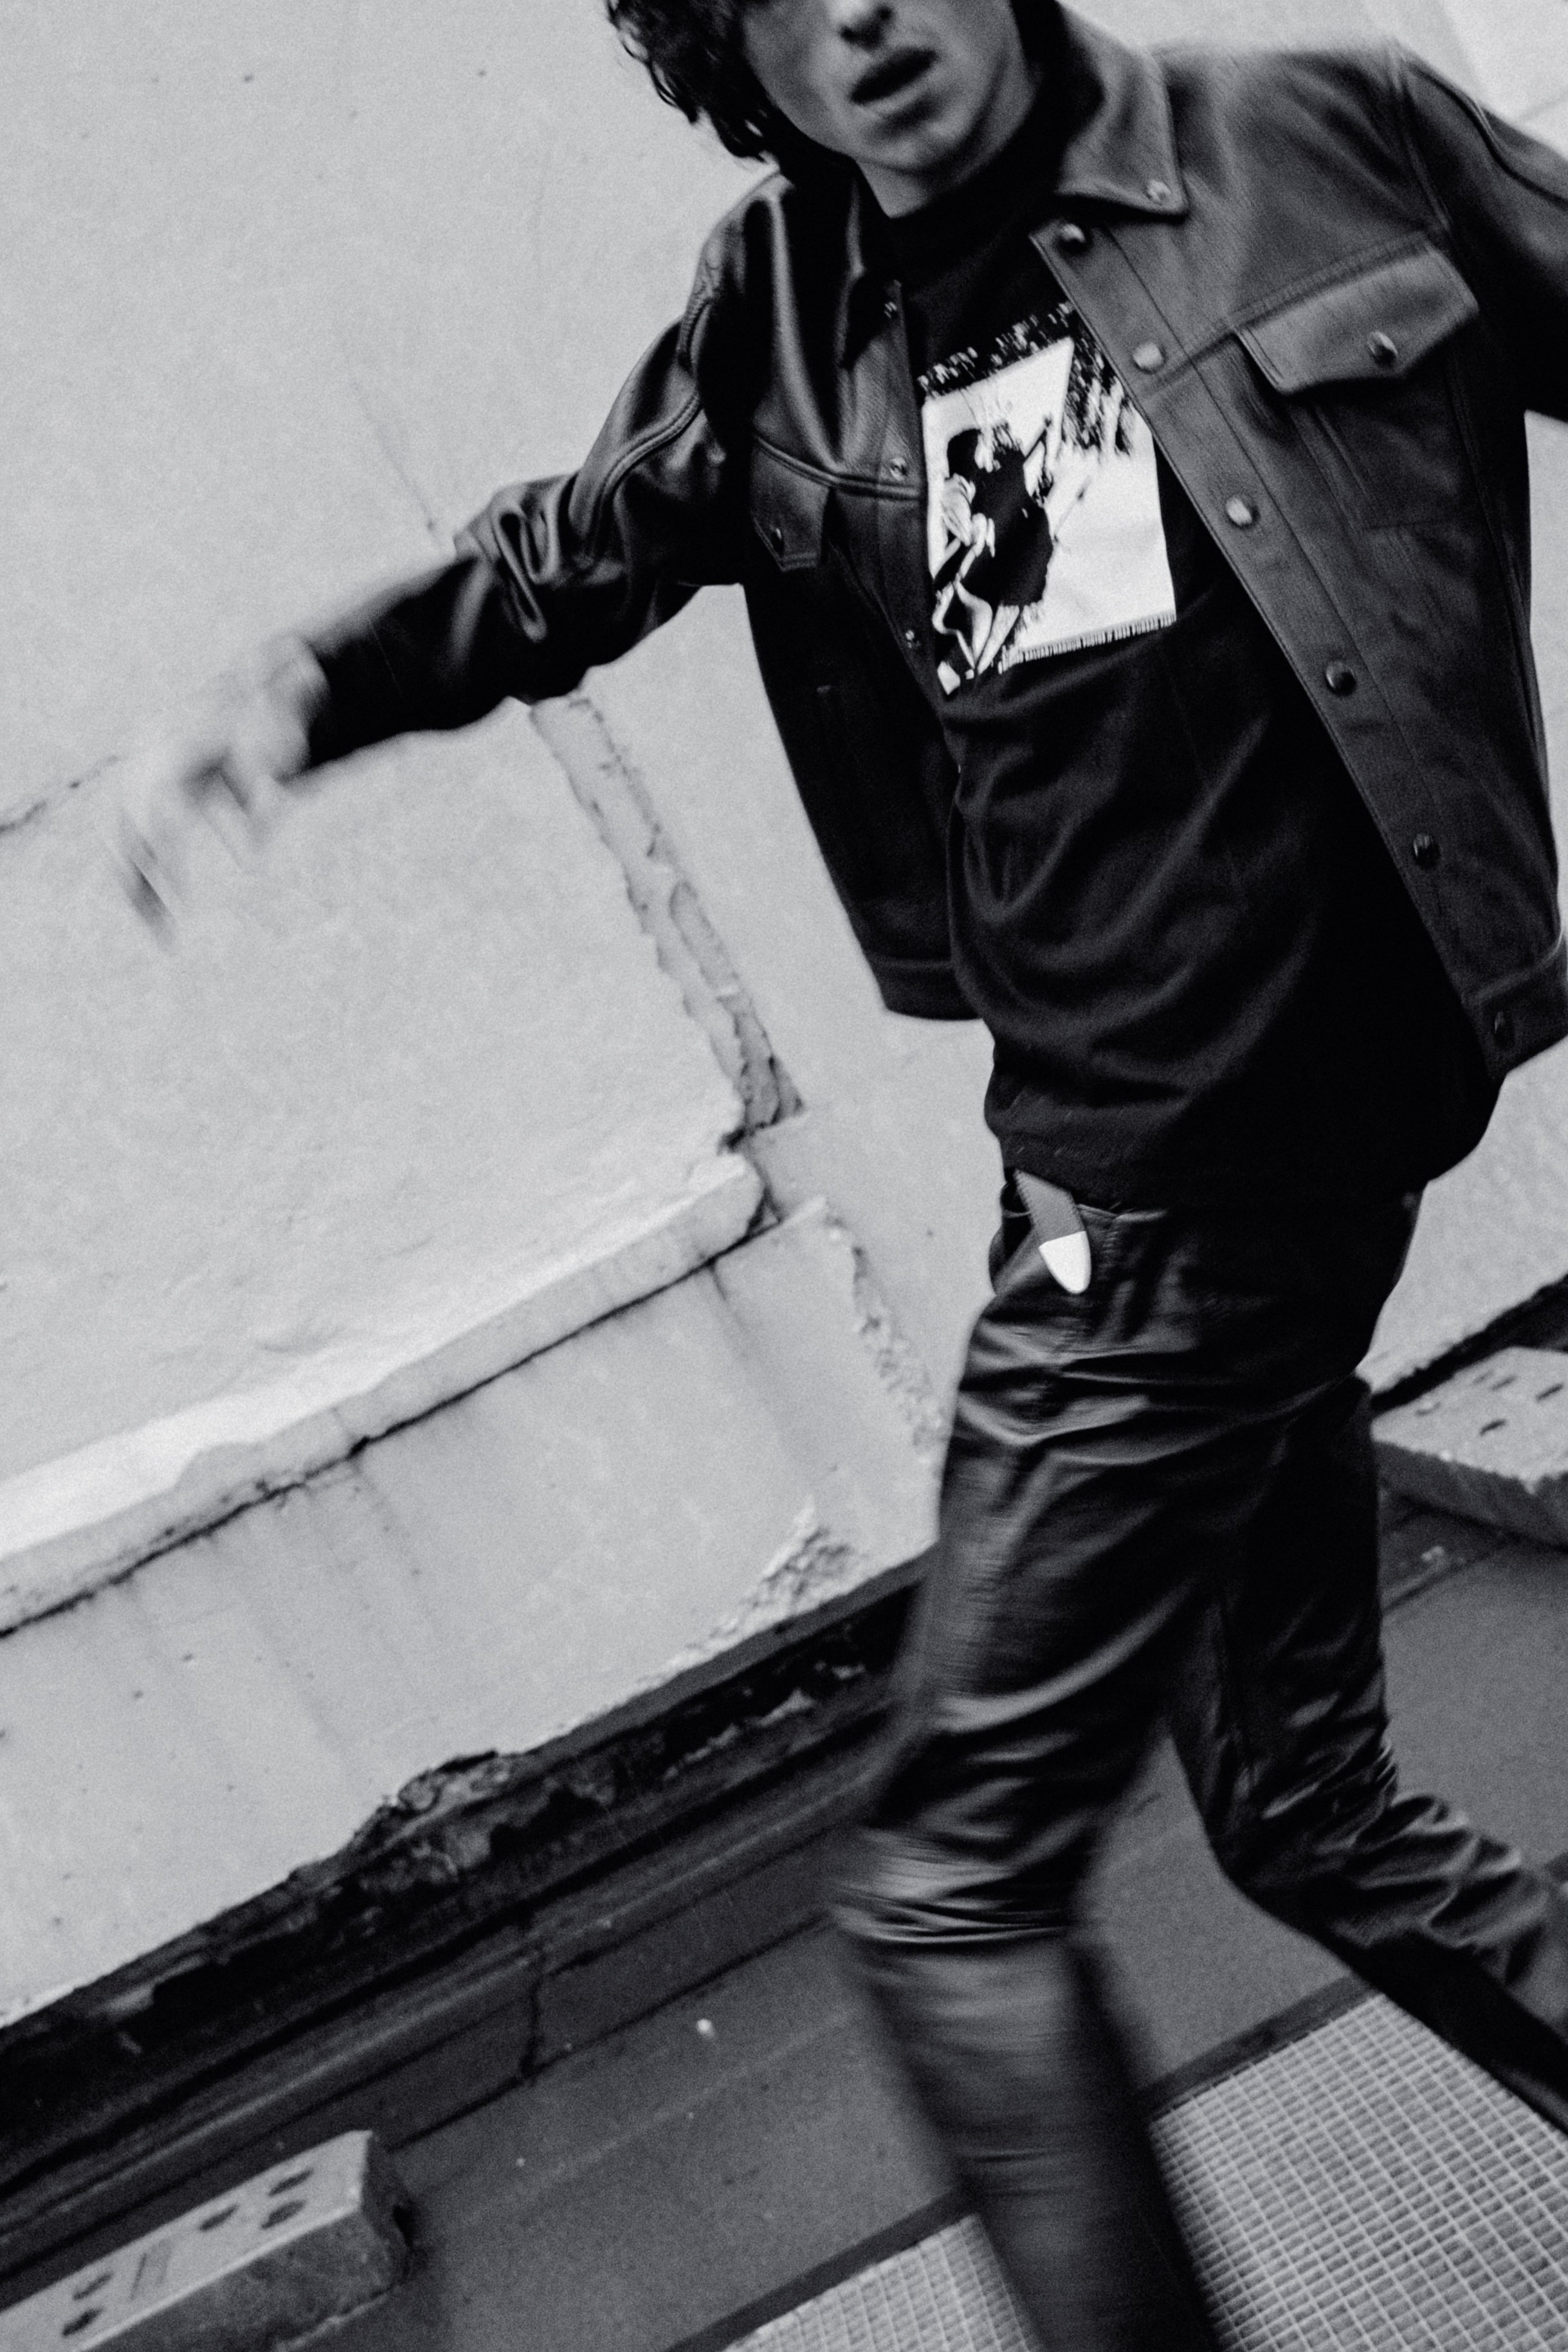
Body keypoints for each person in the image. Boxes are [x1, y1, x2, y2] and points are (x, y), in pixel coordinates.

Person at [116, 2, 1568, 2344]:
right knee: (1303, 1804)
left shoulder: (1313, 133)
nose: (865, 12)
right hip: (1100, 1153)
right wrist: (303, 685)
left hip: (1199, 1188)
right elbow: (568, 559)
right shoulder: (779, 317)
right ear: (733, 56)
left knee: (950, 1894)